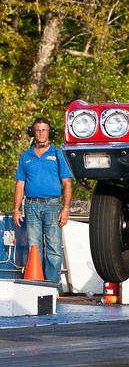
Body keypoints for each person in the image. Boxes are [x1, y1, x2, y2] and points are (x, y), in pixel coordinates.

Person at [12, 117, 73, 289]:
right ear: (33, 132)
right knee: (34, 248)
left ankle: (53, 288)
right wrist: (16, 209)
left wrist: (66, 208)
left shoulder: (57, 154)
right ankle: (36, 288)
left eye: (44, 130)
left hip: (53, 206)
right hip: (30, 206)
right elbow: (20, 184)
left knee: (53, 248)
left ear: (50, 132)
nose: (40, 133)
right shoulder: (26, 156)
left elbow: (67, 183)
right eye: (37, 130)